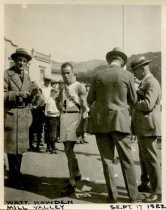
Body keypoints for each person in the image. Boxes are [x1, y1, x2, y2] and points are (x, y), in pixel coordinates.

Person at [87, 47, 144, 203]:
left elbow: (89, 99)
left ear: (110, 60)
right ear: (122, 61)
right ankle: (133, 196)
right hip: (120, 122)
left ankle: (112, 197)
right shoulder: (128, 75)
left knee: (107, 160)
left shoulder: (97, 75)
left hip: (101, 123)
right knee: (127, 159)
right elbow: (133, 100)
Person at [130, 56, 161, 202]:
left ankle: (157, 191)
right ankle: (145, 183)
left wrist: (133, 101)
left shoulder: (152, 82)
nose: (134, 74)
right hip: (143, 127)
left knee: (151, 159)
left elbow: (148, 105)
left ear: (143, 69)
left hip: (148, 127)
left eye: (135, 71)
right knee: (143, 158)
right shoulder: (146, 82)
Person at [57, 62, 89, 196]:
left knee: (69, 151)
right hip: (64, 118)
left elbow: (85, 108)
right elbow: (58, 101)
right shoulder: (62, 87)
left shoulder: (79, 86)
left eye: (68, 72)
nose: (65, 75)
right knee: (67, 151)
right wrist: (61, 109)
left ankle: (72, 183)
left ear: (73, 72)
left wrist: (82, 126)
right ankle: (77, 174)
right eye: (63, 73)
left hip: (75, 119)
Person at [4, 48, 32, 188]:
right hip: (11, 114)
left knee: (20, 150)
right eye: (19, 60)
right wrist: (18, 94)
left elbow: (31, 91)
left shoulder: (27, 76)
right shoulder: (6, 75)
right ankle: (14, 178)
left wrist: (35, 95)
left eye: (24, 61)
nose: (21, 63)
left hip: (23, 116)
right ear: (14, 60)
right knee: (12, 150)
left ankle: (16, 175)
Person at [29, 82, 45, 152]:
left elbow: (36, 106)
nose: (34, 91)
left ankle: (37, 146)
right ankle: (31, 146)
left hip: (38, 116)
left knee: (38, 132)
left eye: (35, 90)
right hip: (33, 115)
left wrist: (30, 106)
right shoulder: (33, 96)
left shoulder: (40, 97)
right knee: (31, 131)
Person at [45, 88, 60, 153]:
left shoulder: (53, 101)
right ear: (53, 93)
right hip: (52, 118)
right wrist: (58, 113)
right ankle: (52, 147)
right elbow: (49, 111)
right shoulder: (50, 101)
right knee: (52, 134)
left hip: (53, 118)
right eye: (56, 93)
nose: (57, 95)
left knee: (50, 133)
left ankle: (49, 147)